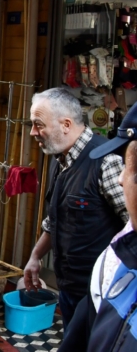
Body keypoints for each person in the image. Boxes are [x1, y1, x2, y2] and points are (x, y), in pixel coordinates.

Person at [24, 87, 127, 329]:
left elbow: (132, 225)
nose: (33, 132)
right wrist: (35, 256)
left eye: (38, 125)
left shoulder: (106, 161)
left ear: (66, 124)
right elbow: (55, 219)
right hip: (69, 287)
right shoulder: (60, 159)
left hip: (100, 294)